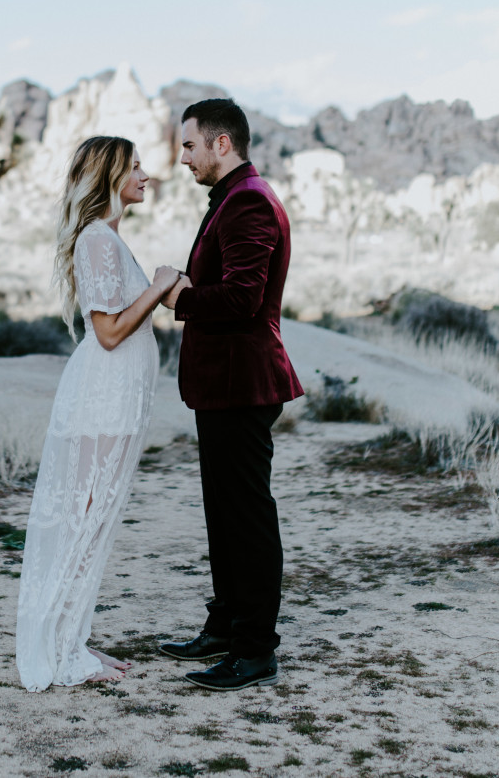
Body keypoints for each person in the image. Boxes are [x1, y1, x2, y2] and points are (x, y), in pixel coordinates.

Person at [15, 136, 182, 691]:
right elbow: (108, 331)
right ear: (109, 176)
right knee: (84, 518)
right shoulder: (96, 241)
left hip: (119, 398)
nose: (146, 174)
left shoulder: (110, 239)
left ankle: (71, 641)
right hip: (103, 395)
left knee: (94, 519)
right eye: (134, 166)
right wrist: (158, 289)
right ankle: (60, 651)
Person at [158, 97, 304, 692]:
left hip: (243, 383)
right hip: (222, 385)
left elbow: (244, 298)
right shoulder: (233, 198)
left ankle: (254, 650)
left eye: (189, 145)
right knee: (224, 513)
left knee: (246, 518)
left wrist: (179, 298)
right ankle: (225, 625)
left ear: (223, 143)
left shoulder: (247, 202)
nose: (182, 157)